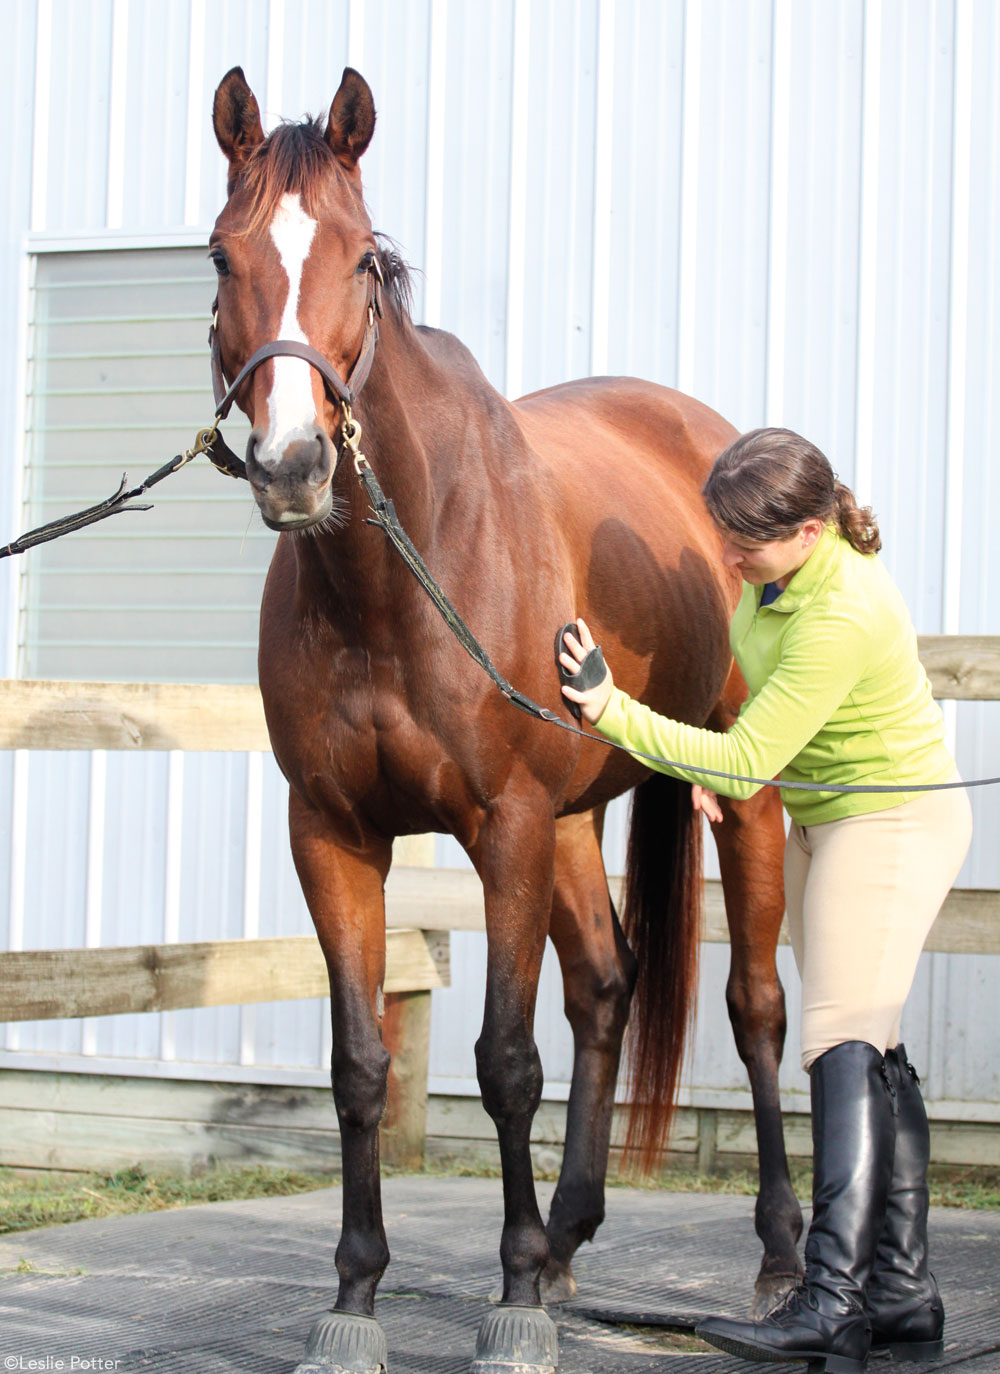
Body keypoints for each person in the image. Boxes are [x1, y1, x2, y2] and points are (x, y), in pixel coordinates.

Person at [558, 427, 972, 1374]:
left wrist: (609, 710)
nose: (729, 557)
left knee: (838, 1040)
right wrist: (743, 761)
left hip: (890, 825)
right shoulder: (775, 580)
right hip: (826, 821)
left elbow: (747, 756)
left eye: (745, 541)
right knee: (877, 1043)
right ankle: (902, 1291)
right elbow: (759, 726)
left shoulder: (843, 611)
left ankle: (830, 1297)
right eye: (724, 535)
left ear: (813, 528)